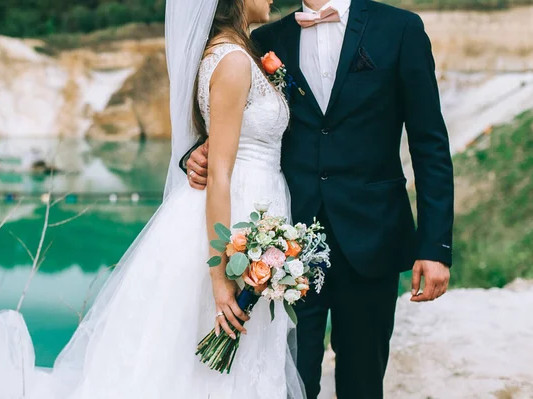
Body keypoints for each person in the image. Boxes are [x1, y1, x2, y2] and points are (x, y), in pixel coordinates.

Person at [0, 0, 306, 398]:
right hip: (229, 223)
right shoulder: (232, 61)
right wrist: (219, 277)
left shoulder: (234, 53)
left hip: (248, 215)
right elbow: (219, 175)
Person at [184, 0, 455, 398]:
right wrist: (191, 155)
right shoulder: (264, 40)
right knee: (290, 383)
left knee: (362, 384)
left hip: (372, 238)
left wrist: (434, 246)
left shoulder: (400, 28)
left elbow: (429, 142)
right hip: (284, 248)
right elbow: (228, 122)